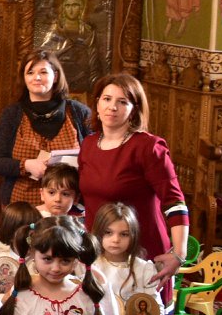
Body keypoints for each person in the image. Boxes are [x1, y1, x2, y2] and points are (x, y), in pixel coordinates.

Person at [76, 73, 189, 289]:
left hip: (143, 251)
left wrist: (179, 254)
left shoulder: (148, 147)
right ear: (97, 103)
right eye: (107, 99)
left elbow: (175, 203)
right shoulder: (89, 144)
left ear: (134, 109)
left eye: (122, 102)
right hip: (99, 252)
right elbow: (86, 200)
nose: (112, 107)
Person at [0, 50, 93, 207]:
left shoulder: (79, 112)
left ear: (56, 76)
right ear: (24, 78)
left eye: (43, 72)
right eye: (30, 72)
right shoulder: (12, 114)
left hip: (68, 208)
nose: (37, 78)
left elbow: (94, 157)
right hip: (21, 208)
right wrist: (26, 166)